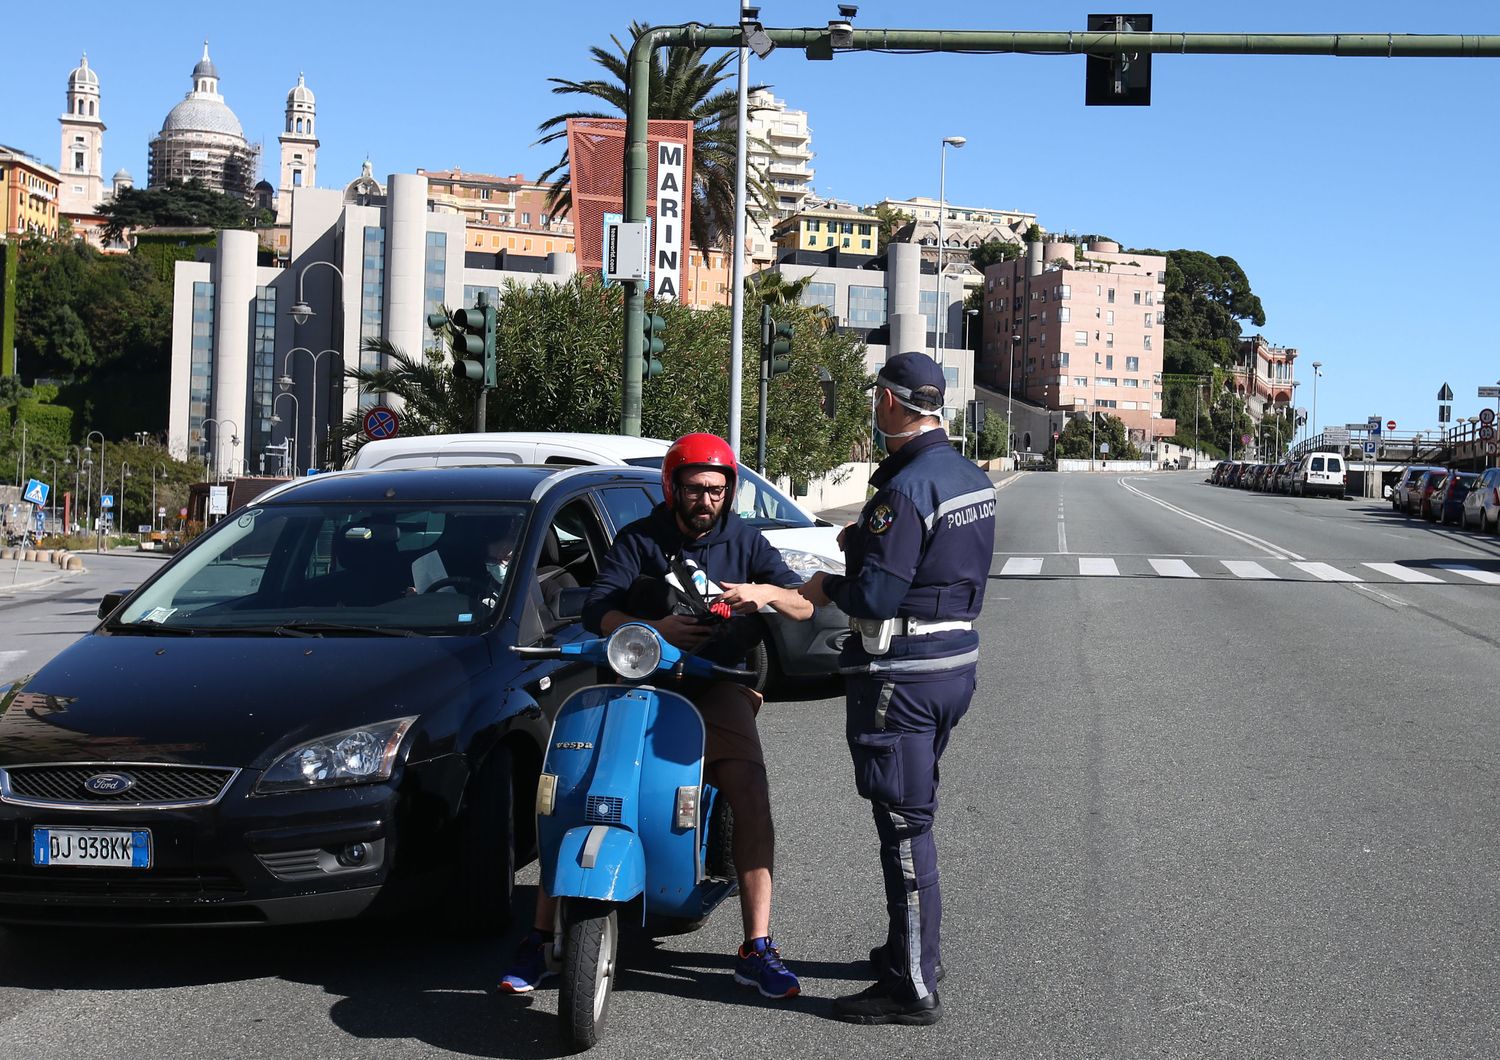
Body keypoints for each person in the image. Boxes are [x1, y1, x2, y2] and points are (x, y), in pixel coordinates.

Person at [499, 432, 814, 999]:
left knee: (749, 791)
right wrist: (648, 630)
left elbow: (804, 602)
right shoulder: (639, 539)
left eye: (718, 491)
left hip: (716, 686)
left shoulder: (745, 541)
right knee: (569, 788)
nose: (707, 501)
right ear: (673, 487)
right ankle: (540, 936)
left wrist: (762, 592)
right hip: (637, 679)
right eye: (695, 490)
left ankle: (757, 946)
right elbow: (597, 607)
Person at [800, 351, 997, 1026]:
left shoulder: (903, 491)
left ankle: (913, 985)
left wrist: (829, 582)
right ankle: (906, 951)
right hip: (954, 664)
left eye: (875, 398)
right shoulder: (969, 476)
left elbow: (878, 596)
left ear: (890, 403)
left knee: (904, 828)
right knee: (914, 811)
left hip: (902, 674)